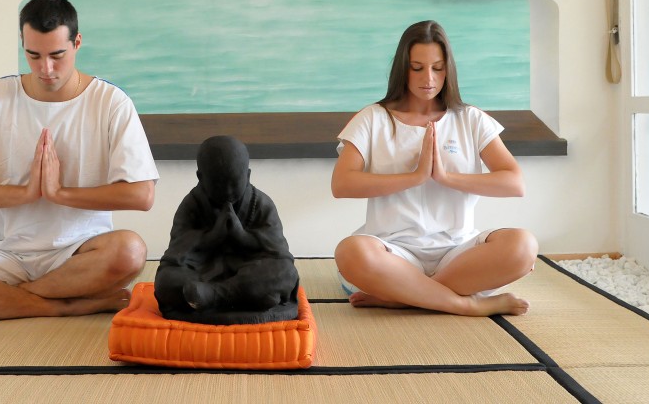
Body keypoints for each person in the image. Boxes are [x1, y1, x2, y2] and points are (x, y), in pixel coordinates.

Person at [0, 0, 159, 321]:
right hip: (6, 254)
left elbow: (141, 195)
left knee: (130, 251)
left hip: (80, 255)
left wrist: (59, 193)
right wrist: (26, 193)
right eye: (33, 55)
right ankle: (65, 304)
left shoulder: (111, 102)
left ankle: (9, 300)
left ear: (77, 43)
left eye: (57, 55)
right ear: (23, 44)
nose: (45, 69)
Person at [332, 20, 537, 317]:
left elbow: (514, 183)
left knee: (523, 245)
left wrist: (445, 177)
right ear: (402, 68)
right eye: (417, 68)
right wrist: (415, 177)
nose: (428, 78)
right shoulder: (373, 118)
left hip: (458, 253)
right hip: (392, 252)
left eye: (437, 68)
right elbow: (342, 184)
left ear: (448, 69)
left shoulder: (470, 118)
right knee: (350, 252)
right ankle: (464, 304)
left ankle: (404, 296)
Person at [154, 135, 299, 324]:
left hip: (249, 272)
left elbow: (279, 253)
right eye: (218, 183)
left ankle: (212, 297)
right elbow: (176, 252)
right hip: (204, 273)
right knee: (166, 281)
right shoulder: (192, 204)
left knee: (285, 273)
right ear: (200, 177)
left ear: (247, 175)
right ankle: (250, 298)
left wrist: (243, 237)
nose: (228, 191)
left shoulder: (261, 204)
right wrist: (211, 237)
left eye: (234, 183)